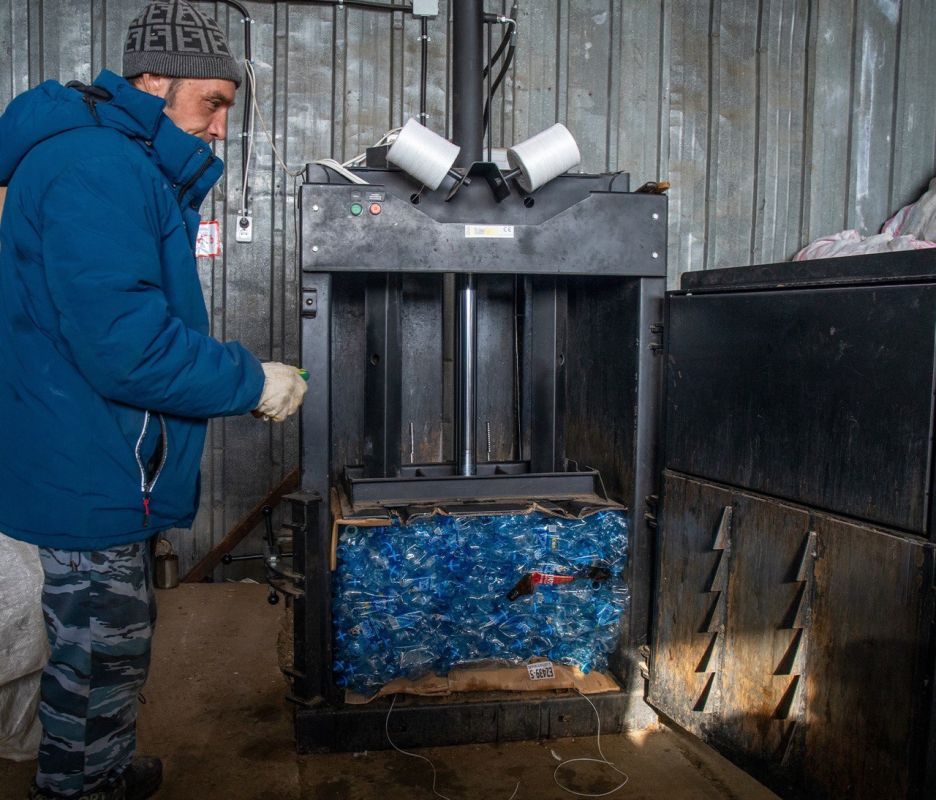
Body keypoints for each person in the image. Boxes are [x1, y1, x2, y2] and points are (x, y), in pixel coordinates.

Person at [0, 2, 308, 798]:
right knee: (99, 660)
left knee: (105, 653)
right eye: (214, 102)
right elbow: (128, 348)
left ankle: (95, 767)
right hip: (86, 467)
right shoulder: (98, 168)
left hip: (88, 454)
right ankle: (83, 785)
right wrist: (252, 380)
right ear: (155, 81)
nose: (220, 127)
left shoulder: (108, 159)